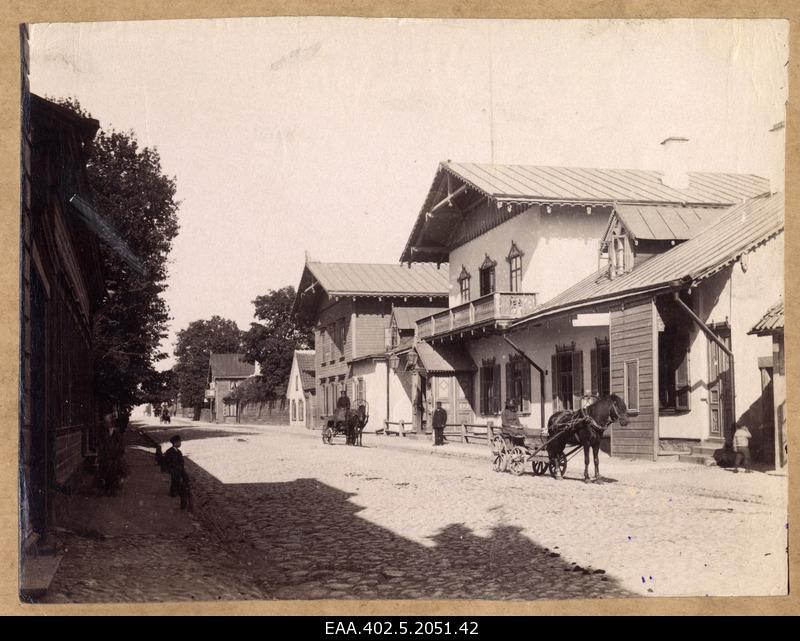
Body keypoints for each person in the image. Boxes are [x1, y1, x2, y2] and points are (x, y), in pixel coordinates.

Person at [163, 435, 190, 509]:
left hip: (179, 469)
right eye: (179, 442)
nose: (180, 443)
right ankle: (176, 493)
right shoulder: (170, 451)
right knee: (177, 480)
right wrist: (170, 469)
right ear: (175, 443)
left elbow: (181, 462)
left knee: (184, 479)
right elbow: (167, 462)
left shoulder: (178, 451)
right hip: (174, 470)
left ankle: (175, 492)